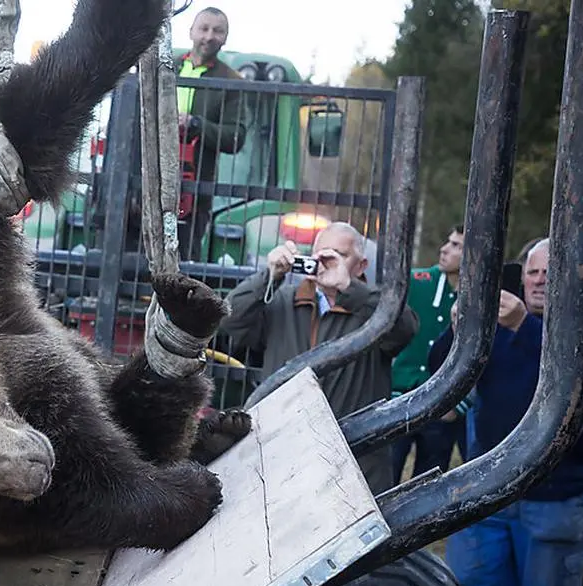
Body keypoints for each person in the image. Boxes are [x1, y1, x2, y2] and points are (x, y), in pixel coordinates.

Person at [432, 238, 583, 586]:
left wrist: (526, 326)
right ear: (521, 278)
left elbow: (569, 371)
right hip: (487, 496)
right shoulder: (496, 331)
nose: (541, 279)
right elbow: (441, 376)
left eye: (552, 271)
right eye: (533, 272)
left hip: (557, 502)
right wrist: (458, 329)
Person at [222, 222, 418, 494]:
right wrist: (271, 275)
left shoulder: (377, 309)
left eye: (339, 254)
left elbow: (405, 329)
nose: (327, 261)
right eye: (322, 253)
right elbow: (230, 319)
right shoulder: (284, 301)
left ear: (360, 266)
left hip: (353, 457)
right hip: (282, 450)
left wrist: (349, 289)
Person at [389, 225, 467, 481]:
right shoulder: (415, 282)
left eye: (456, 245)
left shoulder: (480, 297)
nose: (445, 249)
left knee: (428, 486)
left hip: (443, 407)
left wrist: (459, 405)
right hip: (399, 400)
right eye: (448, 241)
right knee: (383, 481)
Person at [174, 6, 247, 261]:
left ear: (225, 38)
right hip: (146, 178)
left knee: (184, 260)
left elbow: (235, 137)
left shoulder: (232, 81)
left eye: (217, 31)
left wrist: (195, 124)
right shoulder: (166, 68)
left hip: (195, 187)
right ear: (191, 31)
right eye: (203, 29)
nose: (209, 36)